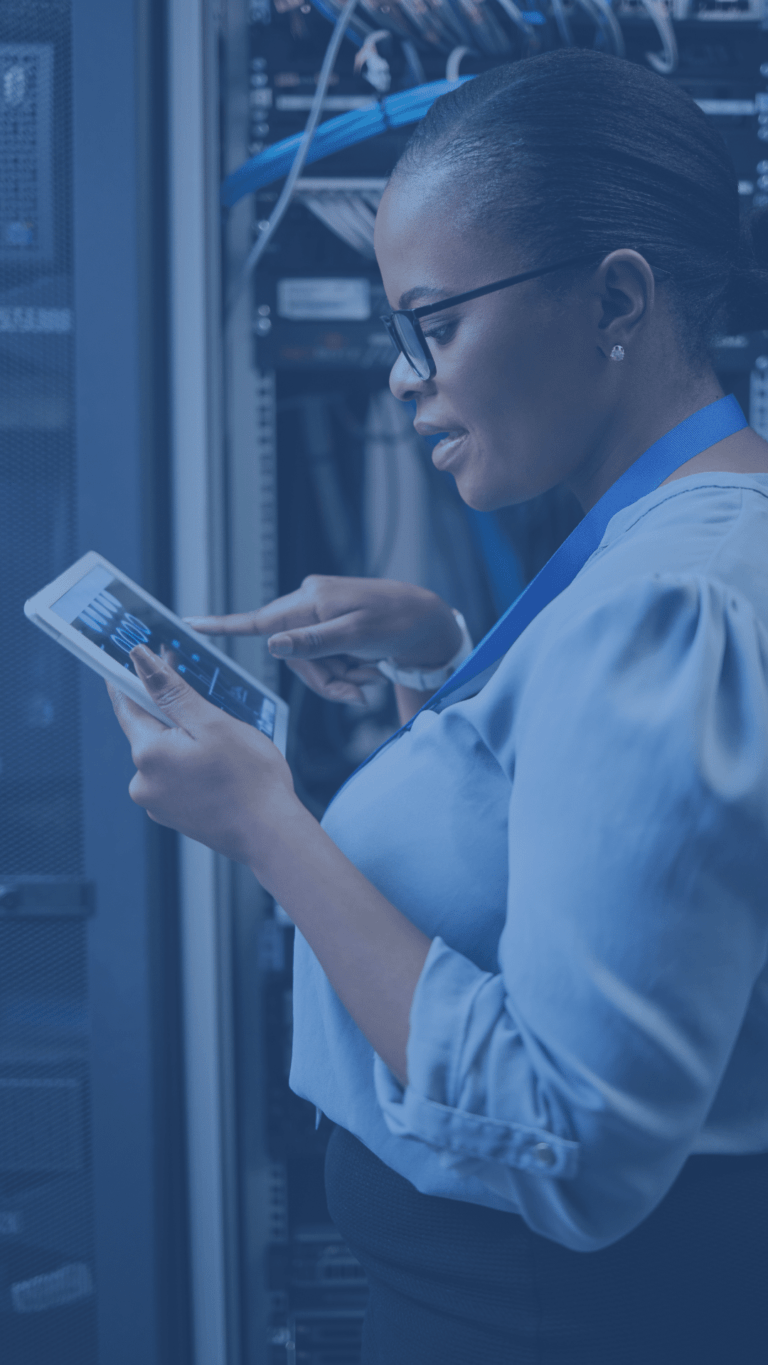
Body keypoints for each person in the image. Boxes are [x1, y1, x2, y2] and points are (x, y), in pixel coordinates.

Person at [108, 49, 768, 1365]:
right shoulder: (685, 551)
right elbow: (595, 849)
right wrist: (452, 666)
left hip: (540, 1321)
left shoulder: (665, 610)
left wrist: (267, 826)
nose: (407, 379)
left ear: (616, 299)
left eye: (436, 324)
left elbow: (566, 1138)